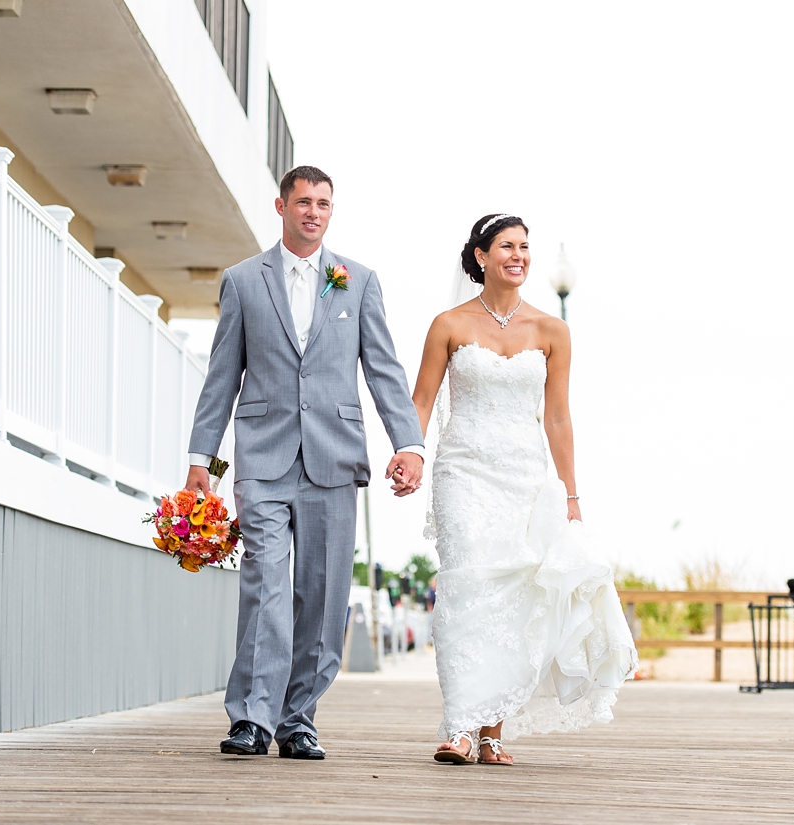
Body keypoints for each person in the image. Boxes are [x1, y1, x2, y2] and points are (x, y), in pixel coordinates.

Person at [186, 166, 425, 760]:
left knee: (320, 596)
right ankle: (251, 719)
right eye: (303, 202)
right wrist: (201, 458)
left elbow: (384, 369)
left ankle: (298, 719)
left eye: (323, 204)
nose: (313, 212)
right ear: (281, 206)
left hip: (334, 459)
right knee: (265, 585)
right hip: (263, 457)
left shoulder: (358, 281)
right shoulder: (243, 281)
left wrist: (410, 443)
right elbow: (221, 377)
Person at [408, 214, 638, 765]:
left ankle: (492, 733)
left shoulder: (551, 331)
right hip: (462, 471)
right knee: (467, 589)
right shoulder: (448, 324)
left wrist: (572, 496)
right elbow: (420, 400)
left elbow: (558, 419)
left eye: (525, 247)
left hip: (526, 477)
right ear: (481, 257)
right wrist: (409, 455)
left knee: (513, 599)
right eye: (507, 246)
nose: (519, 254)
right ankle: (461, 727)